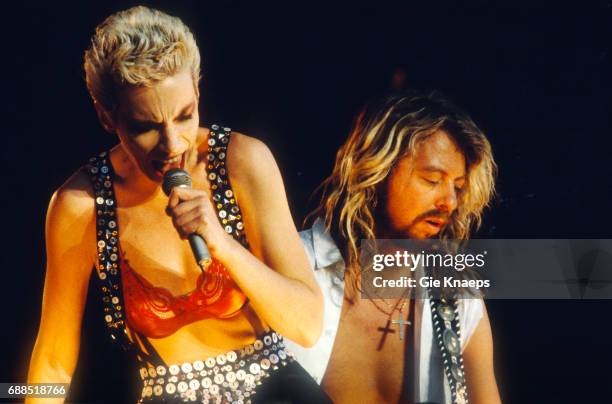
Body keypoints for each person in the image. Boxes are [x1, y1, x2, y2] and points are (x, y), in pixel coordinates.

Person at [27, 6, 328, 403]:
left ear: (198, 93)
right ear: (106, 116)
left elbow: (307, 325)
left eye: (185, 116)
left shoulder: (242, 161)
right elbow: (53, 361)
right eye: (146, 127)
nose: (173, 145)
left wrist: (221, 242)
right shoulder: (80, 205)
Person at [285, 91, 502, 403]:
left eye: (457, 187)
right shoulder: (293, 263)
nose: (449, 202)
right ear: (376, 169)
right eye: (431, 180)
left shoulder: (459, 298)